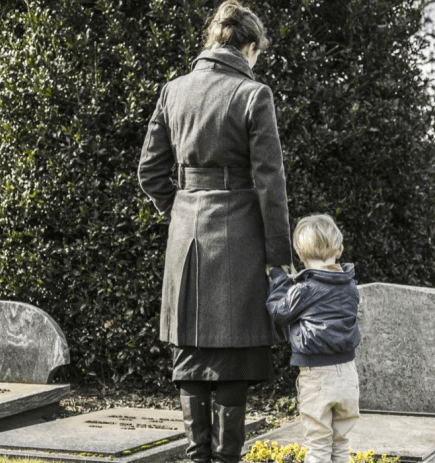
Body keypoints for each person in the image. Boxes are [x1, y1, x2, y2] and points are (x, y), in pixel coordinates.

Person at [137, 1, 292, 462]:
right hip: (239, 237)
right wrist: (279, 256)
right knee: (234, 360)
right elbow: (271, 184)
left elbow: (149, 171)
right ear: (247, 47)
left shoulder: (173, 90)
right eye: (257, 53)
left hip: (185, 238)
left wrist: (181, 207)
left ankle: (196, 457)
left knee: (190, 355)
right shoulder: (253, 95)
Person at [266, 214, 361, 463]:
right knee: (340, 443)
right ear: (338, 249)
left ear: (300, 254)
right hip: (348, 374)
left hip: (317, 375)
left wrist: (278, 280)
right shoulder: (350, 285)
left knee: (318, 445)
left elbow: (279, 311)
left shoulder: (304, 290)